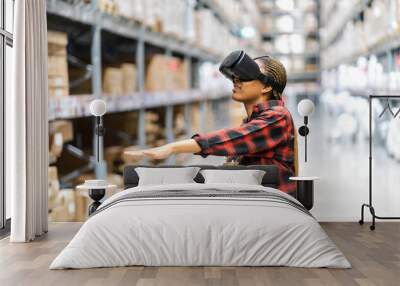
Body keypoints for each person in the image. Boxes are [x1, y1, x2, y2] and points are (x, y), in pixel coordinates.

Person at [124, 51, 297, 197]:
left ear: (266, 87)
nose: (236, 80)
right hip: (256, 202)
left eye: (245, 75)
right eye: (235, 76)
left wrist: (172, 148)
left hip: (273, 207)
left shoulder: (277, 117)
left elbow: (233, 139)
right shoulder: (252, 120)